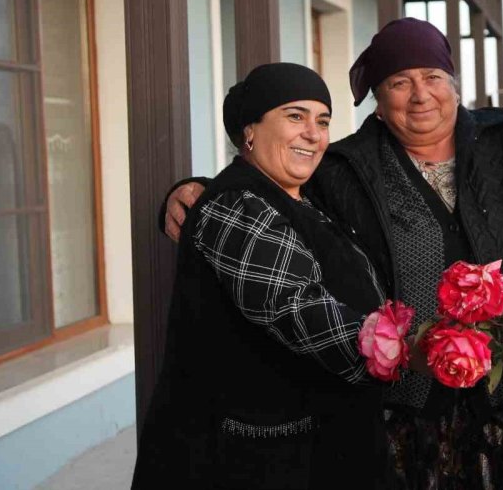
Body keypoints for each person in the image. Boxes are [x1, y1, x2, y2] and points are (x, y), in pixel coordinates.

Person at [162, 18, 503, 489]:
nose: (419, 95)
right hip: (405, 409)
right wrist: (197, 188)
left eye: (431, 78)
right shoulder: (344, 168)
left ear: (453, 83)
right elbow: (276, 190)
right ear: (378, 97)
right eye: (399, 82)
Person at [132, 63, 387, 490]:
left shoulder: (306, 199)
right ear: (249, 131)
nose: (313, 133)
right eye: (295, 116)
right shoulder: (236, 208)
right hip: (247, 461)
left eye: (322, 121)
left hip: (315, 447)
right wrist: (402, 353)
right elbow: (297, 310)